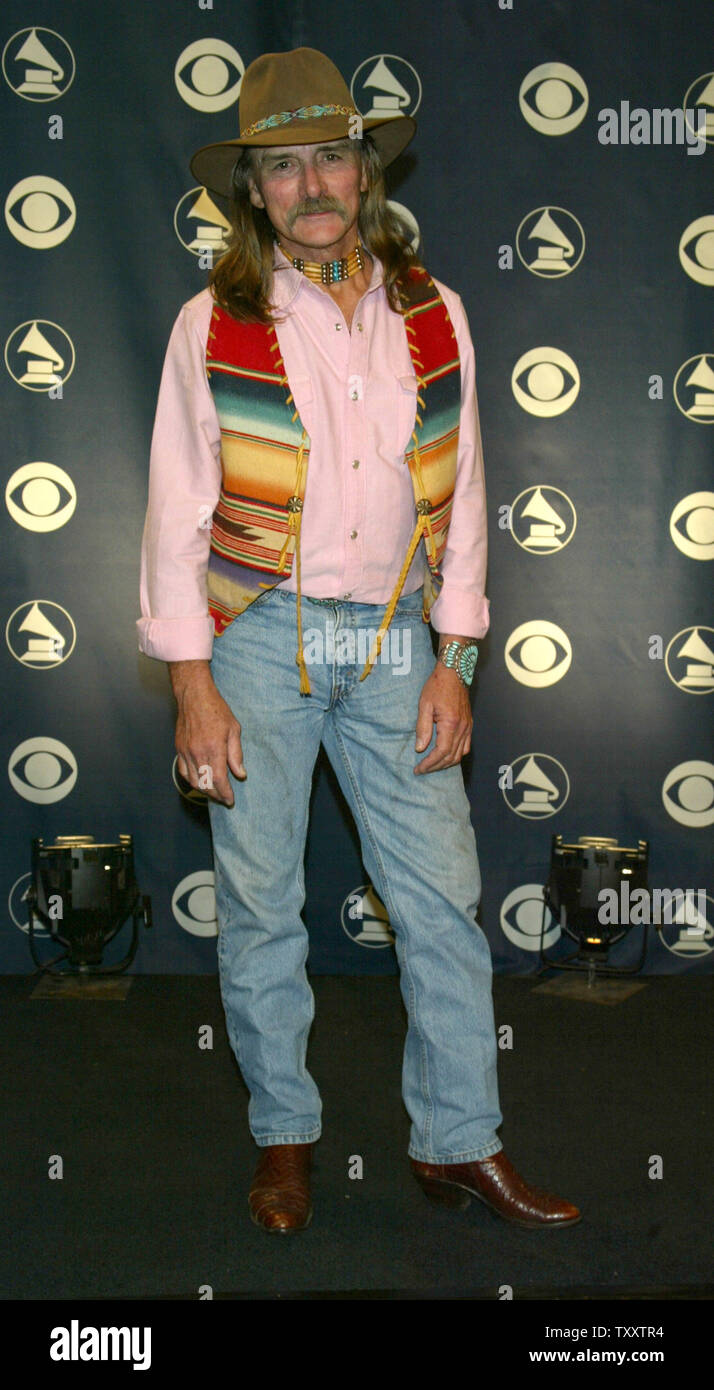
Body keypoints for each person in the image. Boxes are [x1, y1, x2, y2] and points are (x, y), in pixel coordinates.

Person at [137, 47, 581, 1235]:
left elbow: (468, 496)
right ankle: (285, 1138)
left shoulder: (437, 312)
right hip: (256, 636)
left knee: (441, 901)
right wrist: (191, 681)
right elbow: (177, 505)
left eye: (331, 154)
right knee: (262, 901)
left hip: (396, 638)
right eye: (282, 167)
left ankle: (458, 1144)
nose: (312, 183)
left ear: (367, 167)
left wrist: (459, 658)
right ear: (255, 191)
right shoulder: (209, 321)